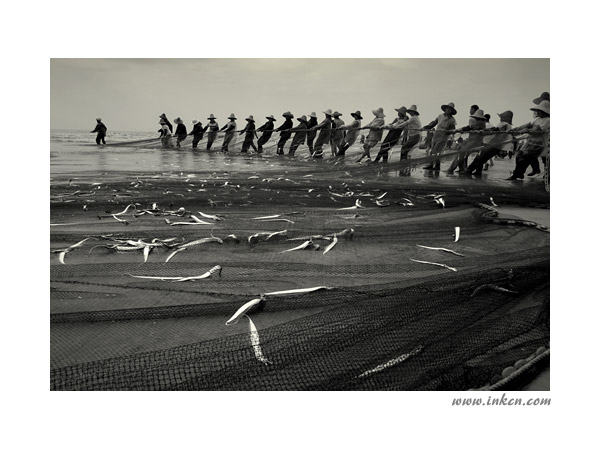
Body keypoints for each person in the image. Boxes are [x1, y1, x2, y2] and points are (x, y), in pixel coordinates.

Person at [507, 100, 550, 180]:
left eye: (538, 111)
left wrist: (527, 130)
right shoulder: (536, 119)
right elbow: (527, 125)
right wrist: (515, 130)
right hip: (530, 142)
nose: (537, 112)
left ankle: (516, 175)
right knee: (519, 156)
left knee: (523, 160)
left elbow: (538, 132)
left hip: (538, 144)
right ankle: (519, 174)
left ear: (543, 111)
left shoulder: (548, 120)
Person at [465, 110, 513, 176]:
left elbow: (495, 130)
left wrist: (484, 131)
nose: (501, 118)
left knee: (481, 157)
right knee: (481, 157)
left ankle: (469, 170)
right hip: (494, 144)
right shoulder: (507, 125)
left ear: (506, 117)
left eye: (502, 116)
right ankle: (477, 171)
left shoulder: (505, 124)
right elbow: (495, 129)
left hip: (495, 145)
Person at [446, 108, 487, 173]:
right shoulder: (481, 122)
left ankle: (451, 169)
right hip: (472, 140)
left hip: (474, 141)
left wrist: (457, 130)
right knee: (461, 152)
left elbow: (469, 127)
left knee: (461, 153)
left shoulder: (480, 122)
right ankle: (462, 169)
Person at [422, 102, 457, 170]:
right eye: (447, 108)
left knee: (437, 151)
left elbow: (452, 129)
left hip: (443, 136)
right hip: (436, 134)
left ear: (452, 111)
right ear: (445, 109)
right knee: (432, 151)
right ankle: (432, 165)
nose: (448, 110)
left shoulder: (452, 120)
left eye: (450, 109)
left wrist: (448, 131)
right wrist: (426, 127)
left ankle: (436, 165)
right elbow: (434, 123)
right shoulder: (440, 116)